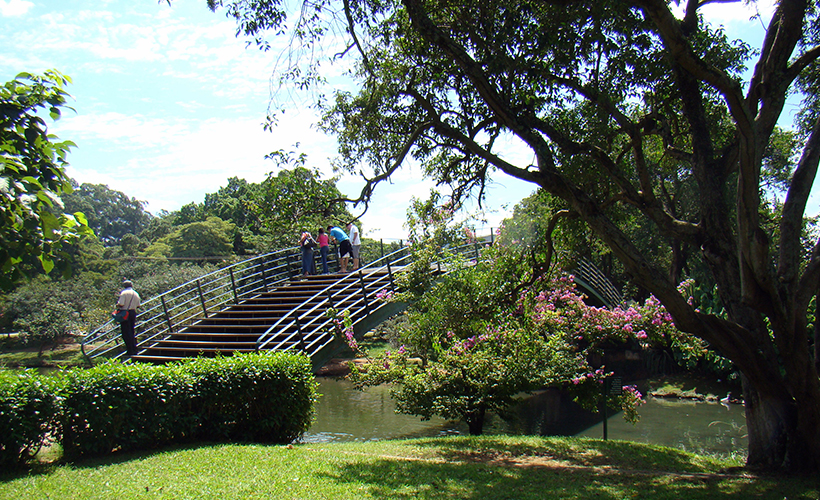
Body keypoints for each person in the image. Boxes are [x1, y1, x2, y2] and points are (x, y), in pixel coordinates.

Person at [117, 279, 141, 356]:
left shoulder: (124, 293)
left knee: (125, 332)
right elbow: (138, 305)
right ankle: (134, 349)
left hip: (125, 313)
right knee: (131, 331)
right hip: (133, 312)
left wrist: (117, 305)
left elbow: (121, 304)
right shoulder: (136, 293)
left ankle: (130, 350)